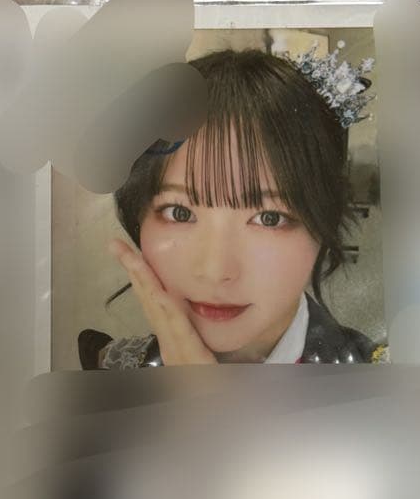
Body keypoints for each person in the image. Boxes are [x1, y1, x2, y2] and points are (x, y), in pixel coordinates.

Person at [78, 46, 388, 369]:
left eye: (269, 218)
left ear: (323, 222)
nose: (216, 271)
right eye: (179, 213)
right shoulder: (112, 367)